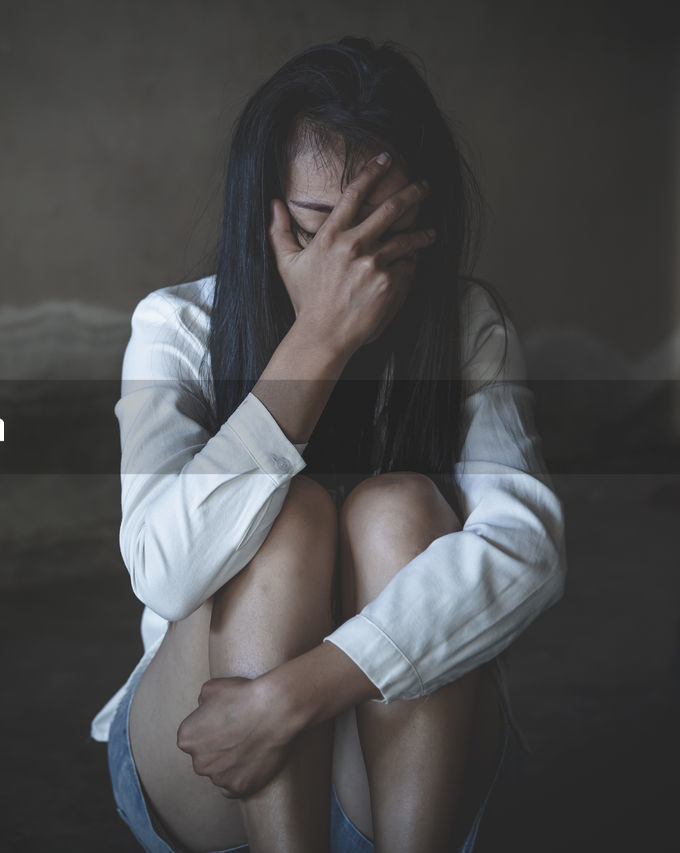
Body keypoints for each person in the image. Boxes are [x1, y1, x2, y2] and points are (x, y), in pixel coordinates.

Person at [90, 37, 567, 853]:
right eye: (318, 230)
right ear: (264, 213)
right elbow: (162, 572)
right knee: (286, 520)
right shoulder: (175, 326)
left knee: (401, 509)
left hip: (391, 756)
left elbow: (528, 545)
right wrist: (315, 345)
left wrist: (292, 697)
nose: (350, 267)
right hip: (213, 753)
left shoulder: (464, 324)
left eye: (383, 234)